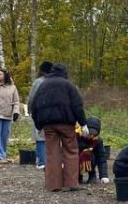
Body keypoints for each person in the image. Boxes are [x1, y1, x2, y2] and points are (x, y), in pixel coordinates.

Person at [29, 64, 86, 192]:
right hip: (66, 123)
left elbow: (34, 104)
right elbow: (77, 105)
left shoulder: (43, 85)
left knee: (52, 153)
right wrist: (83, 123)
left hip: (48, 124)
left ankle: (53, 185)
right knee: (71, 151)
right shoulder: (68, 85)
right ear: (64, 72)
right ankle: (72, 183)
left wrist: (38, 124)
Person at [25, 61, 53, 169]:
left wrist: (29, 109)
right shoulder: (56, 81)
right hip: (54, 114)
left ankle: (42, 161)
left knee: (40, 137)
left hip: (40, 112)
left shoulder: (38, 82)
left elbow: (32, 97)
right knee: (51, 137)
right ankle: (51, 161)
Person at [77, 116, 110, 184]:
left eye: (93, 133)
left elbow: (101, 158)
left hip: (91, 160)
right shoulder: (77, 137)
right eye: (89, 133)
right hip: (76, 161)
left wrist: (104, 176)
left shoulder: (98, 141)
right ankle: (78, 176)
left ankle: (92, 176)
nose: (91, 135)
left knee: (89, 155)